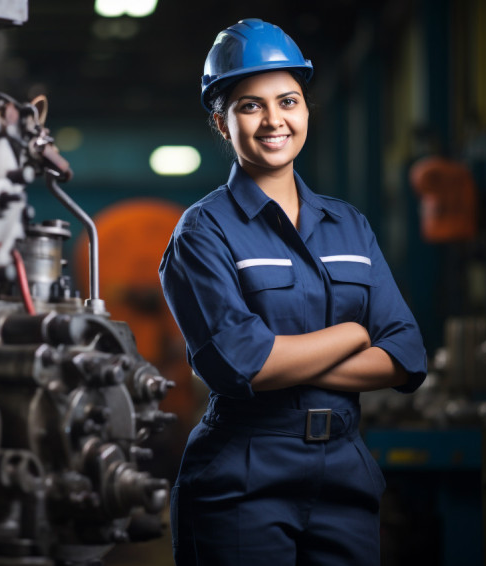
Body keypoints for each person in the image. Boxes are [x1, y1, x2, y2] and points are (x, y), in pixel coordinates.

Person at [158, 18, 427, 566]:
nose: (274, 120)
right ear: (220, 121)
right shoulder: (202, 232)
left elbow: (405, 353)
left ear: (306, 109)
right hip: (242, 477)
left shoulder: (349, 225)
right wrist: (353, 334)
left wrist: (288, 358)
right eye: (250, 105)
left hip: (345, 475)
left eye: (288, 100)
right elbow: (242, 366)